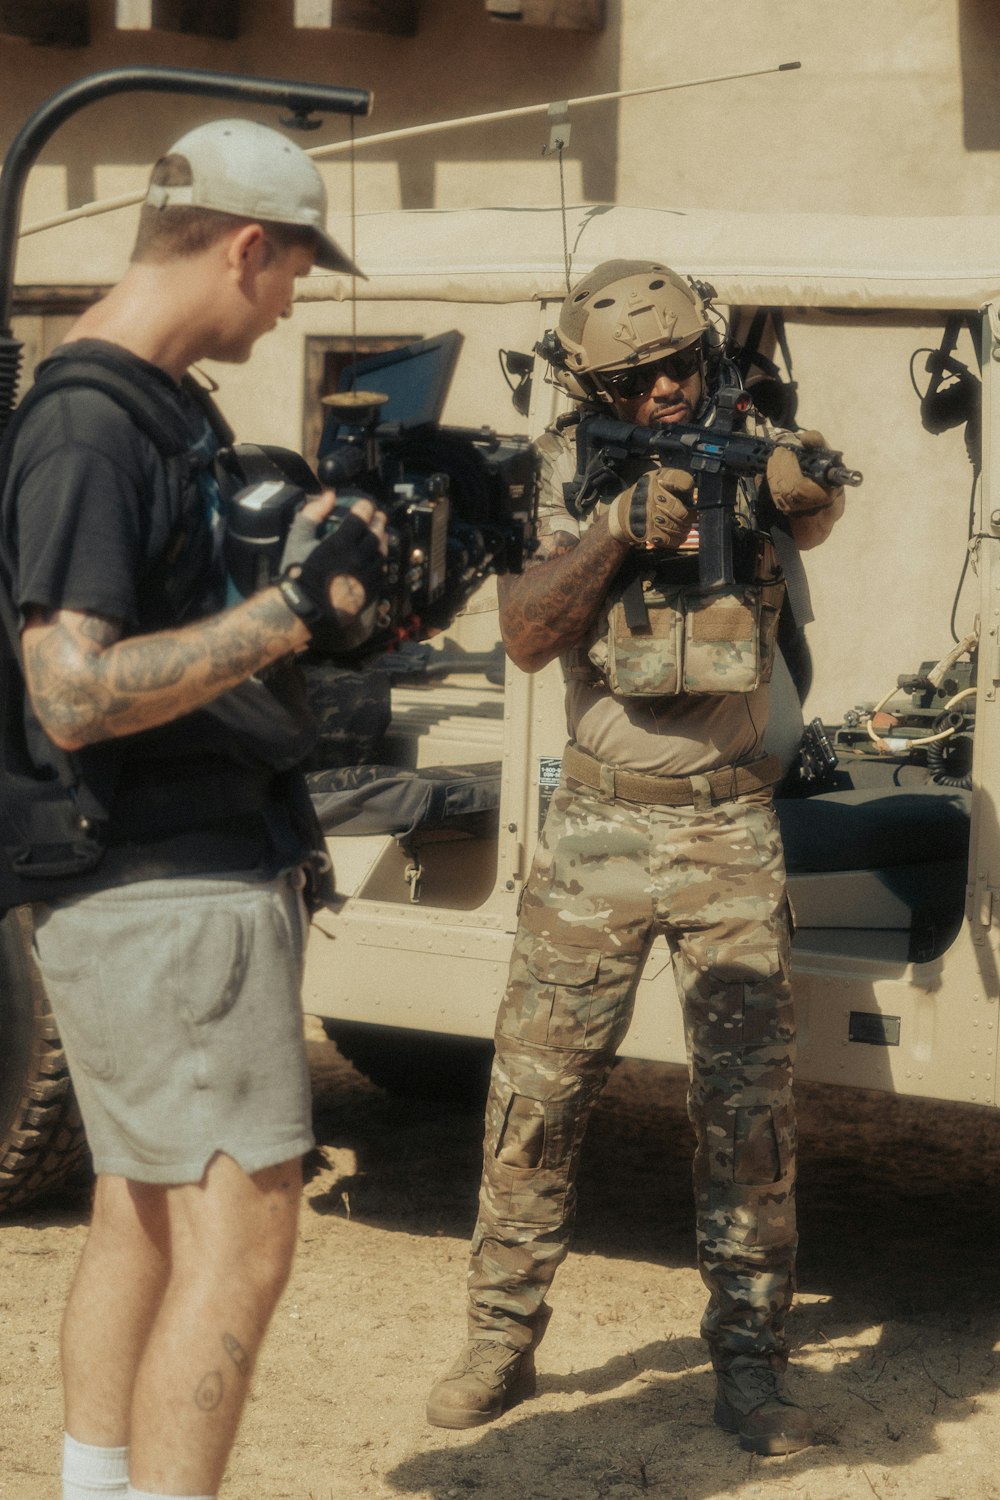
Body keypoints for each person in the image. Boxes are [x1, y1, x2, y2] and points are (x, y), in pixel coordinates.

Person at [0, 120, 387, 1500]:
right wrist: (289, 615)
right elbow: (72, 692)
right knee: (247, 1242)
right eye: (291, 271)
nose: (291, 301)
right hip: (166, 890)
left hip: (163, 885)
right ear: (245, 245)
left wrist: (309, 571)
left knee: (142, 1215)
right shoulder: (91, 428)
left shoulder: (164, 410)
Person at [426, 260, 845, 1455]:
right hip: (597, 829)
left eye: (680, 366)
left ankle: (753, 1368)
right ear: (594, 380)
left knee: (746, 1117)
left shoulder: (747, 438)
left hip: (727, 825)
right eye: (637, 377)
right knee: (536, 1099)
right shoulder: (560, 471)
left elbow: (813, 502)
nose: (667, 390)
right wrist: (615, 528)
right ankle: (501, 1338)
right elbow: (519, 634)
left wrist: (789, 480)